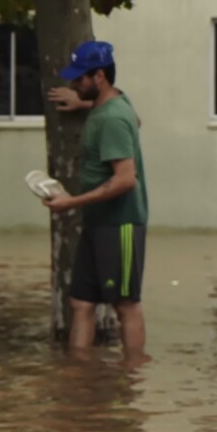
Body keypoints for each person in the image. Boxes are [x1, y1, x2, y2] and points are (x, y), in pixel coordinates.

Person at [42, 40, 149, 355]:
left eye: (80, 78)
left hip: (120, 224)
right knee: (81, 302)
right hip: (98, 223)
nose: (74, 84)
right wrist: (83, 103)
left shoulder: (112, 119)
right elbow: (136, 120)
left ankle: (132, 383)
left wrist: (70, 203)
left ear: (99, 76)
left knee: (125, 305)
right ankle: (80, 382)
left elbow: (126, 180)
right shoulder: (114, 104)